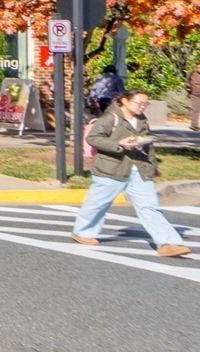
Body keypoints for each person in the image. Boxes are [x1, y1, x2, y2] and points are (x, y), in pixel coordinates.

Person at [71, 84, 192, 257]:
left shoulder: (141, 119)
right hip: (111, 168)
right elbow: (93, 138)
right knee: (97, 204)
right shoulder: (110, 117)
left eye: (145, 104)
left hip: (139, 169)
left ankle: (167, 243)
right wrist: (118, 144)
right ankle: (83, 232)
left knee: (150, 207)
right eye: (138, 103)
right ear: (125, 101)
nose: (142, 106)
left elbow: (149, 146)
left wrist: (153, 166)